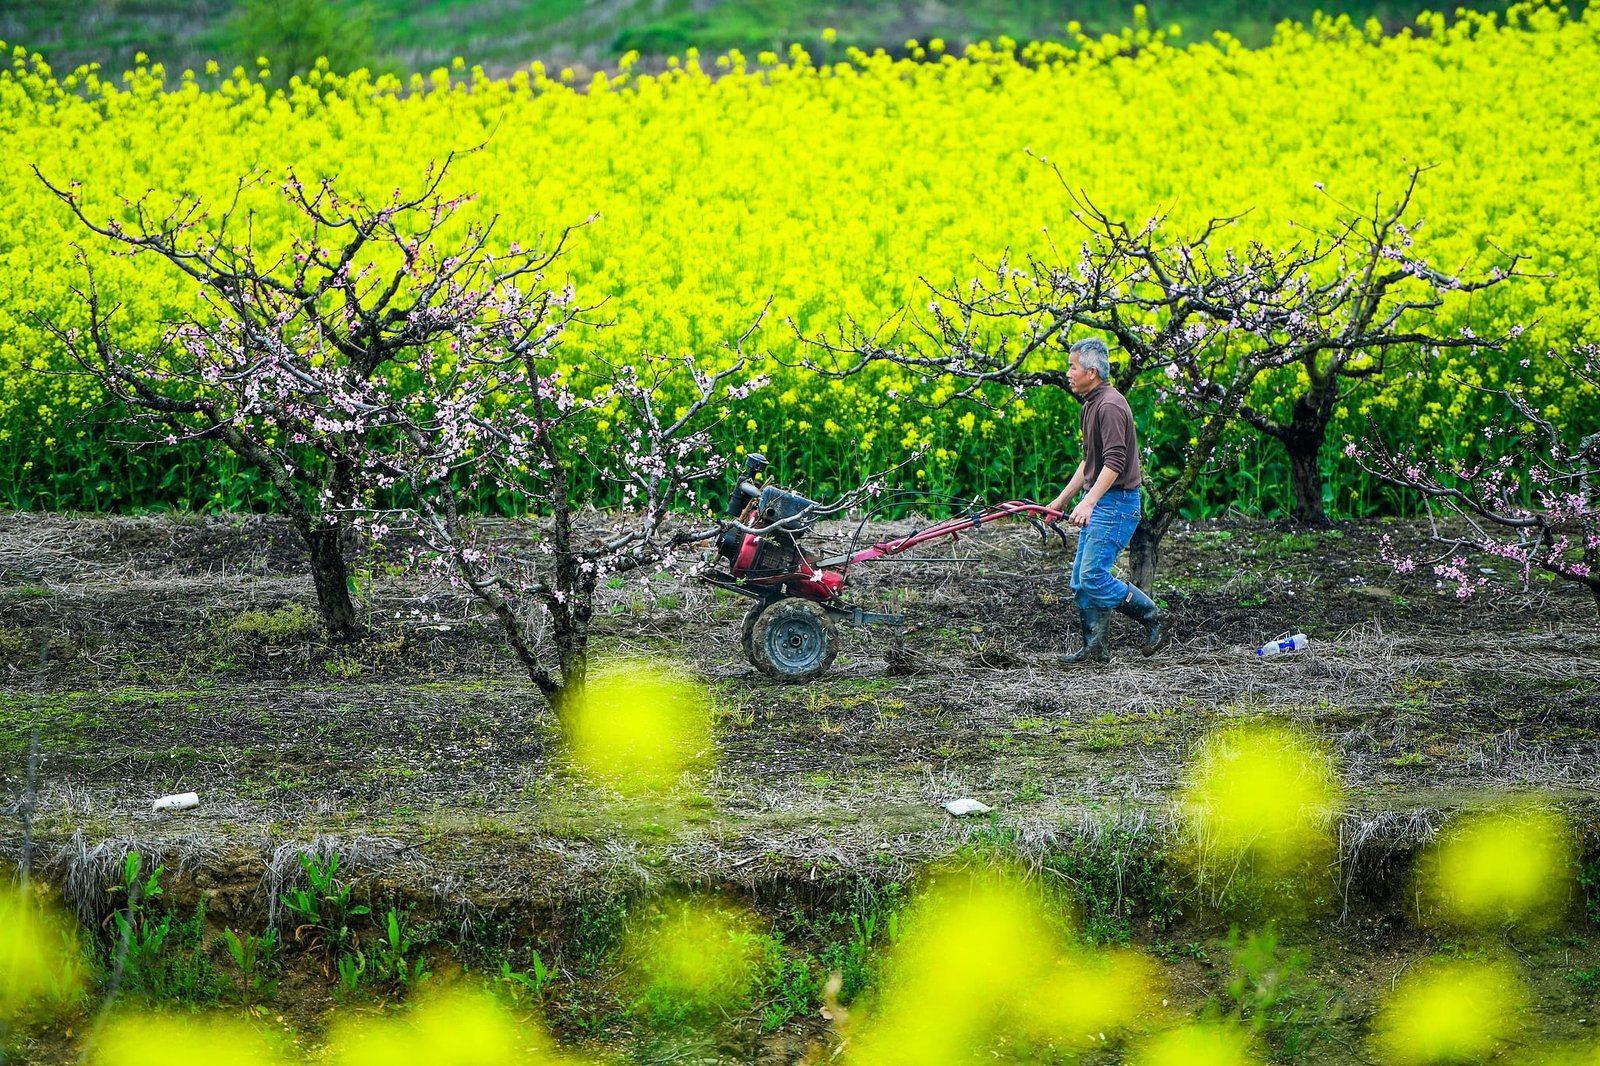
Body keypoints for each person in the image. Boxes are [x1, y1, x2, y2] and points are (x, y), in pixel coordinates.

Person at [1044, 337, 1169, 663]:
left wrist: (1089, 502)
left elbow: (1114, 462)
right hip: (1103, 500)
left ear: (1092, 371)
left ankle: (1153, 616)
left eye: (1073, 367)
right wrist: (1063, 500)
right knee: (1081, 580)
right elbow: (1090, 462)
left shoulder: (1110, 406)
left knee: (1092, 576)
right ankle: (1096, 648)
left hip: (1116, 504)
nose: (1068, 373)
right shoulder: (1093, 404)